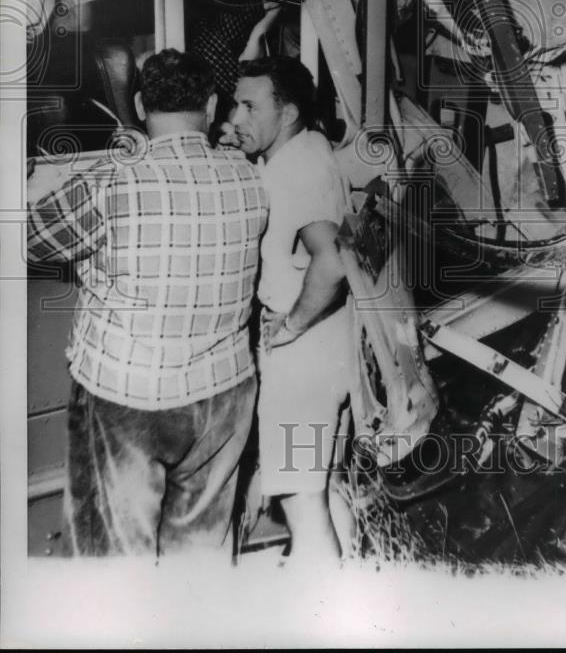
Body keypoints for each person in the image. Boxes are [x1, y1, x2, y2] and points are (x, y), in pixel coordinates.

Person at [27, 49, 268, 557]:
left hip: (128, 396)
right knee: (199, 557)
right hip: (223, 396)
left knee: (117, 558)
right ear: (210, 103)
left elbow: (28, 237)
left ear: (138, 105)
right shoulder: (250, 178)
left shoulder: (110, 184)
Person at [230, 55, 353, 565]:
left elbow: (333, 260)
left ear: (288, 114)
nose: (236, 118)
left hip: (304, 362)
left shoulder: (296, 171)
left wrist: (291, 326)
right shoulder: (310, 149)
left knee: (304, 503)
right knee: (319, 489)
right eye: (235, 104)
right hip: (325, 349)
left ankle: (316, 598)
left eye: (249, 106)